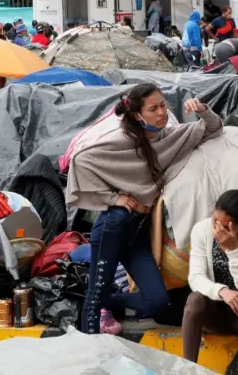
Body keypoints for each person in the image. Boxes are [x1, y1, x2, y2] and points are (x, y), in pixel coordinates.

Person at [66, 83, 223, 335]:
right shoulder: (122, 140)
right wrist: (112, 198)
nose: (161, 112)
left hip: (138, 234)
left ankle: (105, 301)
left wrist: (202, 109)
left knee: (157, 302)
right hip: (114, 225)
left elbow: (213, 128)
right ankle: (90, 351)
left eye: (163, 105)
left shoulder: (172, 136)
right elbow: (80, 160)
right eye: (153, 108)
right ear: (138, 115)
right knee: (94, 299)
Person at [182, 181, 238, 375]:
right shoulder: (202, 230)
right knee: (195, 299)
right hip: (215, 314)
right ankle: (186, 370)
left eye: (223, 225)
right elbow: (196, 277)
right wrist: (222, 291)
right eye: (214, 219)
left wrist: (233, 249)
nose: (216, 228)